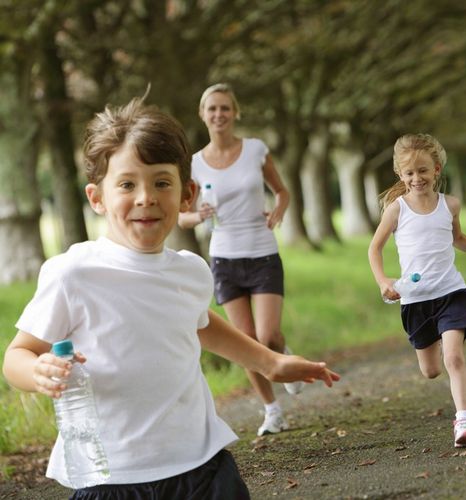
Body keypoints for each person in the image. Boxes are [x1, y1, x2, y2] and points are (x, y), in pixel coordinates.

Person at [2, 97, 340, 499]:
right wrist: (38, 371)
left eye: (162, 182)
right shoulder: (73, 274)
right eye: (127, 184)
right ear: (97, 198)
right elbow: (16, 356)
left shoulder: (191, 270)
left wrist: (271, 362)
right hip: (113, 477)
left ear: (187, 195)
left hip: (202, 466)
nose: (146, 197)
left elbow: (198, 322)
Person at [368, 133, 466, 448]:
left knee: (454, 358)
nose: (416, 178)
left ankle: (464, 422)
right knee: (431, 371)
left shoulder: (450, 204)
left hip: (451, 293)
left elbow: (458, 238)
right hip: (417, 301)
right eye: (409, 173)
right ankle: (434, 340)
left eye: (423, 170)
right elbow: (374, 249)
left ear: (436, 169)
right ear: (400, 175)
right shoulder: (396, 209)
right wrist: (383, 281)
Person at [178, 83, 300, 437]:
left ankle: (282, 351)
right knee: (246, 340)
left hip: (262, 252)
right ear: (203, 114)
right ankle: (272, 410)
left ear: (235, 113)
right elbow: (180, 216)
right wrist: (198, 216)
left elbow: (282, 191)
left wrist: (278, 211)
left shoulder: (256, 150)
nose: (219, 115)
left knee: (268, 334)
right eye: (212, 109)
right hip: (225, 259)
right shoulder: (196, 164)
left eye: (225, 108)